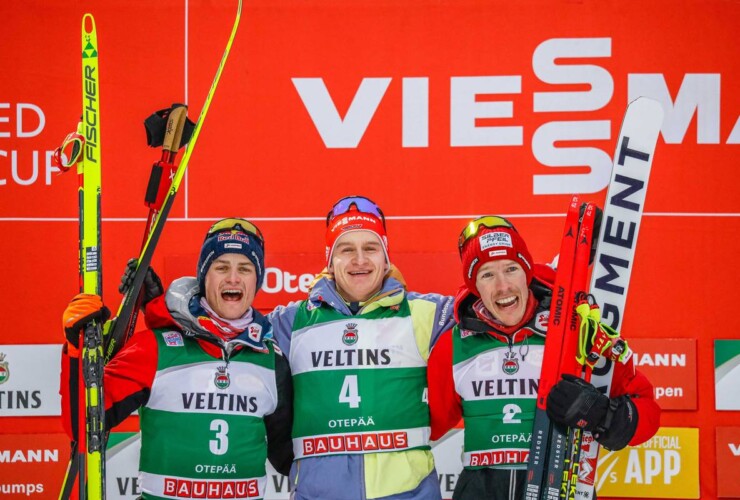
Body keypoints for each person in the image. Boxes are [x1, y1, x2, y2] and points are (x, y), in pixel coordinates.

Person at [427, 215, 661, 499]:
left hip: (558, 485)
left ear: (527, 272)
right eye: (487, 274)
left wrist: (602, 415)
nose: (503, 287)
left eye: (511, 269)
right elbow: (427, 423)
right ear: (474, 285)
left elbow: (647, 412)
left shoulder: (575, 330)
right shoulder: (453, 344)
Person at [60, 218, 293, 499]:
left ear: (257, 281)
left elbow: (289, 457)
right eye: (221, 267)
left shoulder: (271, 359)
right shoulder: (156, 348)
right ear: (204, 278)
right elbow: (83, 426)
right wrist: (76, 348)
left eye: (244, 269)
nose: (233, 278)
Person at [269, 195, 455, 500]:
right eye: (346, 249)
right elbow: (226, 325)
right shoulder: (291, 322)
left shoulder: (428, 313)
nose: (360, 260)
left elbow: (492, 309)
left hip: (410, 494)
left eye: (370, 248)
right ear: (330, 259)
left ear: (385, 258)